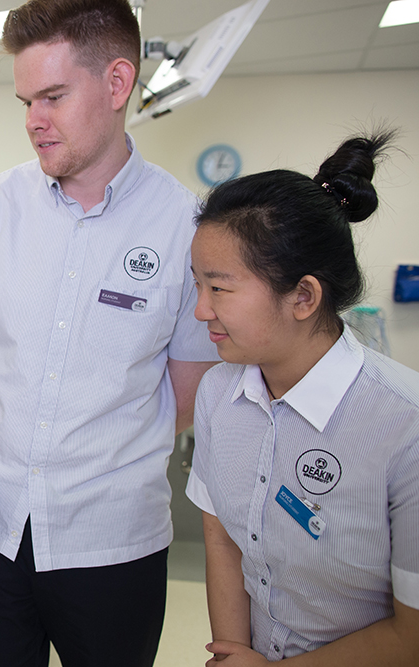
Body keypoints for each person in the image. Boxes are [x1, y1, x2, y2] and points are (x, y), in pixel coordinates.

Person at [0, 0, 219, 664]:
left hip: (112, 540)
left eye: (53, 96)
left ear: (117, 84)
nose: (33, 120)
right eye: (26, 99)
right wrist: (28, 435)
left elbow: (186, 390)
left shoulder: (185, 226)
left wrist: (84, 451)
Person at [186, 133, 419, 665]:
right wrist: (233, 654)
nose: (201, 311)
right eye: (196, 285)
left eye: (219, 288)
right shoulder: (219, 392)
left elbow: (412, 637)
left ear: (304, 296)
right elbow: (220, 536)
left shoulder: (405, 426)